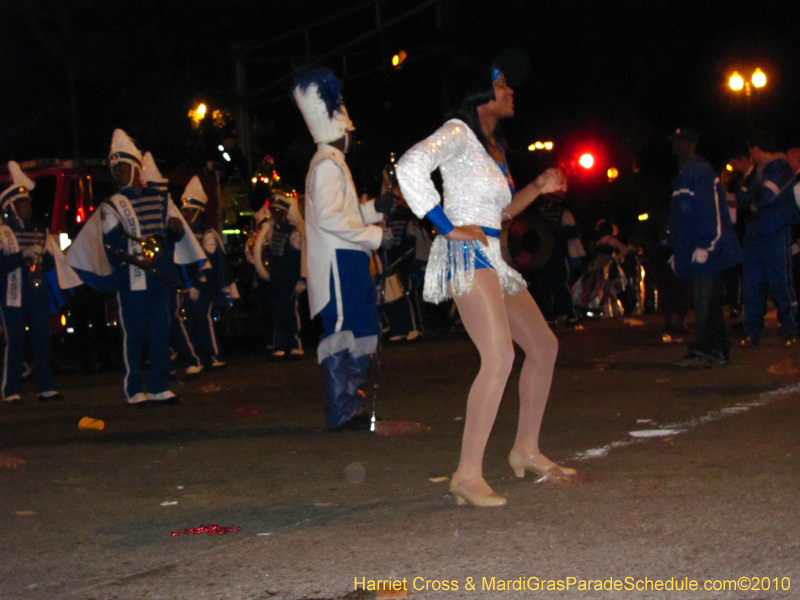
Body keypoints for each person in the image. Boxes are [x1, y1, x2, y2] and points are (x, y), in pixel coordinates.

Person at [396, 61, 573, 508]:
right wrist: (445, 226)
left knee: (544, 347)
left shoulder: (491, 148)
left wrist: (537, 186)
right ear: (479, 95)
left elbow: (501, 216)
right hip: (466, 254)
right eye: (500, 85)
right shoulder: (457, 131)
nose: (510, 90)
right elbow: (410, 166)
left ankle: (526, 450)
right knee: (498, 357)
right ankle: (466, 475)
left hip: (493, 255)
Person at [67, 130, 205, 405]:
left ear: (136, 168)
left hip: (160, 277)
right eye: (114, 168)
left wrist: (176, 231)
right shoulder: (111, 205)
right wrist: (132, 258)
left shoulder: (161, 198)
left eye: (122, 166)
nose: (117, 172)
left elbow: (173, 238)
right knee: (133, 336)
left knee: (160, 332)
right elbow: (110, 245)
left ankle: (159, 386)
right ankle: (133, 388)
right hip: (131, 280)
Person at [292, 68, 394, 431]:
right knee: (340, 330)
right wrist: (376, 237)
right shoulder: (326, 167)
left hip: (349, 258)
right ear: (337, 131)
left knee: (361, 327)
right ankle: (340, 410)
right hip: (338, 261)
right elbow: (333, 220)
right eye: (349, 131)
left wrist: (376, 209)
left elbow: (343, 215)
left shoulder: (334, 166)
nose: (353, 136)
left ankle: (350, 404)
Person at [0, 162, 81, 405]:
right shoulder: (2, 232)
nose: (28, 207)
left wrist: (44, 257)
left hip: (36, 293)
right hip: (12, 295)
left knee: (42, 340)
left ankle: (45, 387)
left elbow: (50, 264)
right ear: (11, 207)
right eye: (22, 203)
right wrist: (21, 257)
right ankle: (10, 390)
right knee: (14, 342)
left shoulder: (39, 231)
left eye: (28, 203)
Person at [669, 127, 742, 368]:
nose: (675, 145)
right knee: (706, 303)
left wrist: (706, 245)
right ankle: (716, 350)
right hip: (698, 251)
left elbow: (710, 212)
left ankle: (704, 349)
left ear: (691, 144)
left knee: (704, 303)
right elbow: (682, 218)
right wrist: (677, 251)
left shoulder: (699, 171)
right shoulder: (687, 173)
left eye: (680, 141)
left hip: (710, 251)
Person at [736, 131, 797, 345]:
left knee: (781, 281)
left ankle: (791, 327)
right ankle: (752, 331)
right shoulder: (756, 172)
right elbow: (744, 197)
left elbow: (766, 196)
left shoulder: (780, 168)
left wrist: (751, 201)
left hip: (774, 231)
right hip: (755, 234)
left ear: (755, 149)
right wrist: (752, 200)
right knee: (752, 284)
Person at [174, 175, 229, 371]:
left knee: (204, 320)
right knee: (190, 321)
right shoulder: (182, 234)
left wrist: (200, 284)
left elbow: (210, 264)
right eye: (184, 211)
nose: (186, 215)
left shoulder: (207, 235)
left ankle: (214, 355)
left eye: (189, 211)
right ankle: (198, 355)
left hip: (204, 287)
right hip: (188, 286)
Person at [264, 191, 305, 358]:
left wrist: (302, 278)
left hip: (290, 277)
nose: (274, 215)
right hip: (277, 278)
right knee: (279, 311)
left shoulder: (294, 233)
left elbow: (301, 257)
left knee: (291, 311)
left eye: (277, 212)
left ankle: (295, 344)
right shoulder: (272, 231)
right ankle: (280, 344)